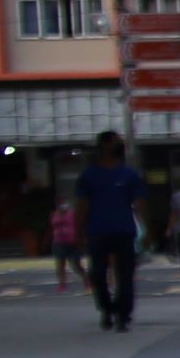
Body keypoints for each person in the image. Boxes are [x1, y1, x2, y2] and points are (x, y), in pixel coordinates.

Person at [75, 129, 145, 331]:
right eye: (116, 141)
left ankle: (123, 315)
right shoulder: (90, 176)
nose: (120, 145)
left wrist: (146, 230)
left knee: (125, 275)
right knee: (98, 274)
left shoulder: (129, 174)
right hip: (97, 231)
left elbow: (139, 202)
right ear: (105, 145)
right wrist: (79, 232)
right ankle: (106, 309)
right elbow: (83, 205)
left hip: (124, 230)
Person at [49, 195, 78, 293]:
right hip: (59, 242)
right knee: (60, 264)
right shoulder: (54, 214)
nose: (63, 205)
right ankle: (62, 284)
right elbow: (52, 227)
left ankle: (87, 280)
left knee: (76, 264)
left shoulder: (72, 214)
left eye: (64, 203)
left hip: (72, 241)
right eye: (60, 204)